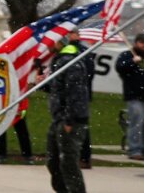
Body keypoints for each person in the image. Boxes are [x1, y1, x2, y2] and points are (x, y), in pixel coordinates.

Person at [48, 40, 93, 193]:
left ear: (60, 42)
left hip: (70, 120)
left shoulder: (71, 62)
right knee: (54, 162)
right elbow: (58, 88)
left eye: (52, 41)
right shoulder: (60, 60)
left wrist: (69, 120)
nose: (48, 45)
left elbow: (75, 93)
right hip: (58, 119)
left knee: (68, 164)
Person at [119, 34, 144, 160]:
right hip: (135, 96)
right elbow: (121, 68)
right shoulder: (127, 55)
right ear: (136, 43)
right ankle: (134, 150)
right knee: (137, 124)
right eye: (141, 42)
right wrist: (132, 62)